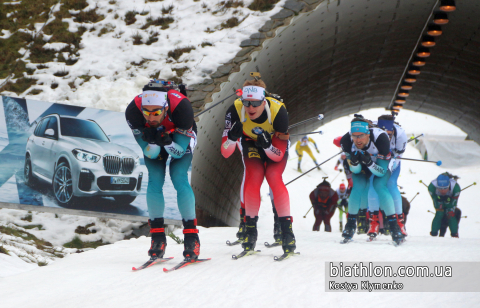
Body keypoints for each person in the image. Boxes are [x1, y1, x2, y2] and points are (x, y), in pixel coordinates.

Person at [125, 80, 200, 261]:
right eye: (147, 113)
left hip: (179, 138)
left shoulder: (182, 108)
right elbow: (151, 155)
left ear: (165, 108)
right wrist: (152, 141)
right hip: (155, 139)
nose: (150, 118)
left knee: (178, 176)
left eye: (156, 113)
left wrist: (167, 141)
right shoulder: (133, 112)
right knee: (155, 178)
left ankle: (191, 238)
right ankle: (157, 238)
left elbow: (180, 151)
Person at [221, 78, 296, 255]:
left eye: (255, 103)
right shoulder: (235, 109)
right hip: (250, 142)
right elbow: (225, 152)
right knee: (253, 176)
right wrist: (232, 138)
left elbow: (277, 156)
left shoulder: (278, 111)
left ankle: (287, 232)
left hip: (273, 145)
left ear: (264, 100)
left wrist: (268, 146)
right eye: (247, 103)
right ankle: (250, 231)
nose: (251, 108)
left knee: (273, 176)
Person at [339, 116, 404, 243]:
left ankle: (394, 226)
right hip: (364, 163)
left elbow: (381, 172)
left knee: (379, 185)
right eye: (354, 136)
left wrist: (369, 163)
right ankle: (350, 225)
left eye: (361, 136)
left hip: (380, 165)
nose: (357, 140)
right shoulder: (346, 141)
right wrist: (355, 162)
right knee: (358, 186)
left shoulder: (381, 138)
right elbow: (355, 171)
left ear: (368, 133)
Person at [366, 115, 408, 238]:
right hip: (376, 159)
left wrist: (389, 165)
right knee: (373, 184)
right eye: (384, 135)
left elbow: (399, 155)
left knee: (390, 184)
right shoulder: (371, 132)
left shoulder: (400, 135)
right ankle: (374, 222)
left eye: (389, 134)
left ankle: (400, 223)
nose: (387, 137)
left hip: (392, 159)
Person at [428, 173, 461, 238]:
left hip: (451, 198)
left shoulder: (456, 188)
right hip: (438, 197)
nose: (443, 191)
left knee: (450, 213)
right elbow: (434, 198)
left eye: (445, 188)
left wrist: (449, 202)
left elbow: (454, 202)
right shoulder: (431, 187)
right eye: (440, 188)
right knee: (439, 213)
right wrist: (438, 200)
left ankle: (455, 235)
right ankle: (433, 234)